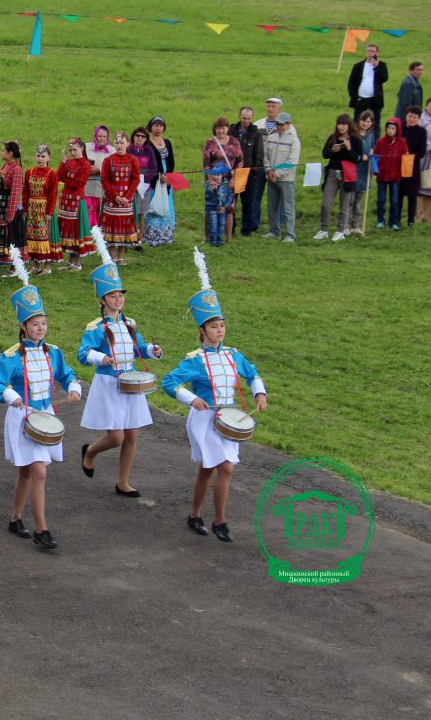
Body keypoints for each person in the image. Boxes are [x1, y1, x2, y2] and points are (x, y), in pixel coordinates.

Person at [162, 248, 267, 544]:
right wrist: (190, 399)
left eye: (222, 325)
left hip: (229, 418)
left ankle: (196, 514)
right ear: (203, 330)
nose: (219, 330)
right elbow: (169, 382)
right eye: (213, 326)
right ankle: (220, 520)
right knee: (224, 467)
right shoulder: (194, 359)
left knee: (211, 469)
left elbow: (253, 373)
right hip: (204, 419)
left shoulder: (235, 355)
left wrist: (259, 393)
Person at [0, 260, 82, 550]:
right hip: (24, 418)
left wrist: (74, 387)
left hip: (47, 417)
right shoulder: (11, 356)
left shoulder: (54, 352)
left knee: (27, 471)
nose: (41, 328)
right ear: (23, 326)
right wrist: (12, 397)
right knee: (38, 470)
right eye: (35, 324)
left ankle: (15, 518)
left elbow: (67, 375)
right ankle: (42, 528)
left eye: (44, 323)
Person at [78, 229, 163, 497]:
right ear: (103, 300)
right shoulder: (96, 326)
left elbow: (136, 349)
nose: (118, 299)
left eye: (120, 295)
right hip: (108, 383)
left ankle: (122, 482)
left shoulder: (130, 324)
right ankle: (90, 451)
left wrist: (152, 350)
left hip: (130, 383)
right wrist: (100, 357)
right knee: (116, 437)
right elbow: (83, 353)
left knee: (132, 435)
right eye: (113, 296)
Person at [316, 114, 363, 241]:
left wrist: (348, 149)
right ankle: (323, 229)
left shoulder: (356, 140)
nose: (341, 127)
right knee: (326, 203)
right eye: (339, 124)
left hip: (347, 174)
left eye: (343, 124)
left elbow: (358, 159)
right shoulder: (333, 138)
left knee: (345, 205)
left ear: (349, 125)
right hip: (332, 173)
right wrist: (332, 150)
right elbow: (325, 154)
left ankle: (340, 231)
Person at [101, 131, 143, 260]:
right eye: (117, 143)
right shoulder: (108, 160)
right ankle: (112, 257)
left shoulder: (133, 160)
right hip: (111, 201)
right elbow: (105, 180)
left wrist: (127, 196)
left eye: (121, 142)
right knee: (111, 229)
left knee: (124, 228)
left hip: (126, 200)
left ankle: (121, 257)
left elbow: (135, 179)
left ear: (128, 144)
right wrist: (115, 196)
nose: (119, 145)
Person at [263, 112, 301, 242]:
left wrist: (277, 173)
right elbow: (266, 157)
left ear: (288, 124)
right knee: (272, 205)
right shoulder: (271, 137)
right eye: (277, 124)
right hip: (271, 177)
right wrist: (269, 171)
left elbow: (292, 161)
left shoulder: (294, 140)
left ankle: (290, 234)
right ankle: (274, 231)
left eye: (281, 124)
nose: (278, 126)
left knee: (288, 206)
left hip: (286, 179)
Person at [22, 144, 60, 274]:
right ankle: (36, 264)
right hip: (32, 209)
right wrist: (25, 209)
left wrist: (49, 212)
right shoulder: (29, 172)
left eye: (43, 156)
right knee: (32, 236)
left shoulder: (52, 174)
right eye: (38, 156)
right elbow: (25, 192)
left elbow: (53, 194)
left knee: (45, 237)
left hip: (44, 209)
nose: (40, 159)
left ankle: (47, 266)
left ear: (48, 157)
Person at [55, 138, 92, 269]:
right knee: (68, 231)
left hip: (76, 201)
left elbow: (77, 183)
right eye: (70, 150)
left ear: (82, 148)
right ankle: (70, 261)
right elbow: (57, 177)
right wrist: (63, 162)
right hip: (66, 201)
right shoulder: (69, 162)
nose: (72, 152)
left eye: (75, 149)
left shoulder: (85, 164)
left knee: (76, 231)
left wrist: (65, 181)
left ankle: (77, 262)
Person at [141, 116, 177, 246]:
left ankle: (165, 236)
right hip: (153, 179)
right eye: (155, 125)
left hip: (166, 179)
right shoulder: (147, 143)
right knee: (153, 204)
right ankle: (151, 236)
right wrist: (157, 177)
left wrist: (168, 176)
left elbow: (171, 161)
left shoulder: (167, 142)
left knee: (166, 203)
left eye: (160, 125)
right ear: (150, 127)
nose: (158, 128)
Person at [0, 141, 25, 272]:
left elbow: (15, 192)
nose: (1, 152)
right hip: (1, 203)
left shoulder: (16, 169)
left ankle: (14, 266)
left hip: (9, 206)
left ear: (10, 153)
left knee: (12, 236)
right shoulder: (6, 165)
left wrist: (10, 214)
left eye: (3, 150)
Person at [232, 107, 265, 236]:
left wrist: (255, 171)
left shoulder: (256, 134)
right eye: (244, 118)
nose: (246, 121)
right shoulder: (232, 131)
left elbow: (259, 153)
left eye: (249, 119)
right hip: (233, 172)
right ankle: (231, 227)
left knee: (248, 202)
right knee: (232, 201)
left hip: (248, 173)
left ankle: (247, 229)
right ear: (239, 116)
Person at [372, 117, 409, 230]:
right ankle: (380, 220)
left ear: (397, 129)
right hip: (382, 175)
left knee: (394, 200)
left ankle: (394, 221)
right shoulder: (381, 141)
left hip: (395, 175)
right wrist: (376, 170)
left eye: (393, 128)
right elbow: (376, 157)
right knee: (381, 199)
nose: (390, 130)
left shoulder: (402, 142)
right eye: (388, 128)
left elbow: (406, 157)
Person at [346, 43, 388, 136]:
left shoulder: (382, 65)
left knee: (375, 123)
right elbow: (351, 83)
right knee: (357, 122)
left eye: (372, 51)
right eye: (369, 51)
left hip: (375, 99)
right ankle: (356, 141)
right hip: (361, 99)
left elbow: (384, 79)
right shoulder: (358, 66)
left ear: (377, 53)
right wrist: (355, 97)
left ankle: (375, 145)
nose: (370, 53)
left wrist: (376, 67)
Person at [400, 107, 428, 226]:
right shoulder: (400, 128)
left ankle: (411, 219)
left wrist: (410, 156)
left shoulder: (421, 132)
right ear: (406, 116)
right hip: (398, 165)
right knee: (398, 193)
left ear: (418, 118)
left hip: (413, 166)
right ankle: (396, 218)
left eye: (414, 117)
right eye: (410, 116)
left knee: (412, 194)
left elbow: (422, 152)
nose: (411, 119)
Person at [351, 110, 377, 234]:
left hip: (364, 171)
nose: (366, 123)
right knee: (350, 200)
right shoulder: (354, 135)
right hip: (354, 170)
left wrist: (371, 154)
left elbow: (371, 148)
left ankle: (355, 225)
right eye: (364, 120)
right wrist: (361, 156)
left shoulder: (370, 135)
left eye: (368, 121)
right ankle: (345, 225)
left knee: (357, 200)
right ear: (359, 121)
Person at [83, 124, 111, 233]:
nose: (102, 139)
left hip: (103, 189)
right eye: (100, 136)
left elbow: (112, 169)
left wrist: (99, 170)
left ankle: (100, 239)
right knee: (88, 214)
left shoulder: (112, 150)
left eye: (104, 136)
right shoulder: (85, 147)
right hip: (88, 187)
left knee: (101, 214)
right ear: (95, 136)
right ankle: (88, 237)